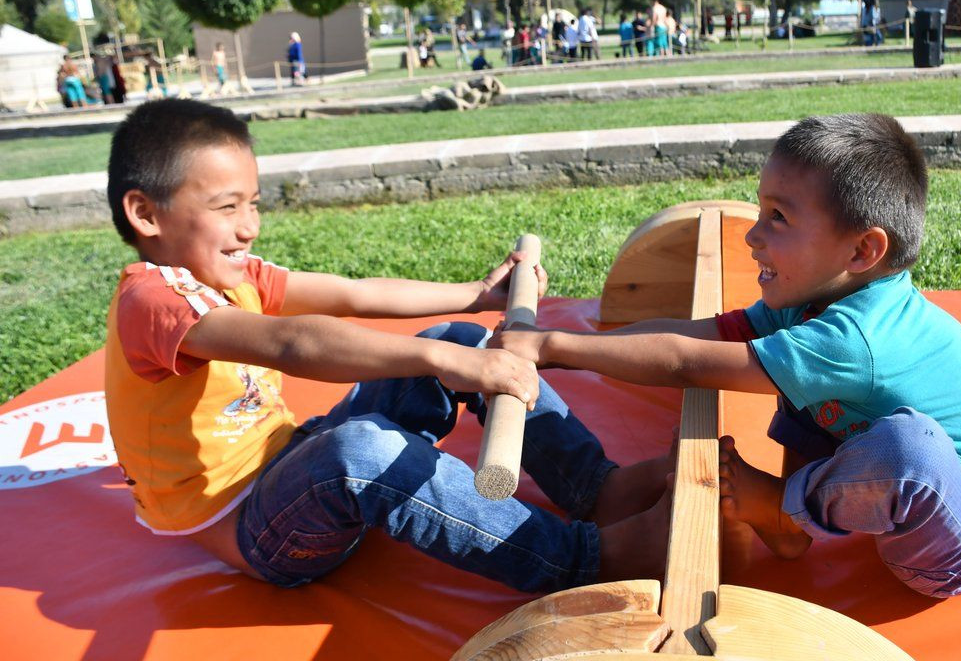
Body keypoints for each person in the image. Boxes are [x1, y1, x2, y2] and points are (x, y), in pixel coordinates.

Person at [102, 99, 674, 592]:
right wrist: (446, 361)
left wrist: (476, 295)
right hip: (261, 532)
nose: (249, 226)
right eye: (227, 208)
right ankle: (583, 559)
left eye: (253, 203)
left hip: (290, 459)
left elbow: (353, 294)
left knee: (459, 338)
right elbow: (291, 343)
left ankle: (598, 489)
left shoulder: (230, 272)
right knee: (360, 451)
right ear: (145, 213)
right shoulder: (152, 302)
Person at [492, 113, 961, 599]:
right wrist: (553, 350)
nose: (754, 235)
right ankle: (791, 523)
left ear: (862, 250)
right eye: (761, 210)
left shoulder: (856, 338)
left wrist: (552, 344)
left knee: (908, 450)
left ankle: (785, 507)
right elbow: (697, 334)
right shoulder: (814, 302)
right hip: (905, 500)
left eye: (778, 217)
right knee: (793, 370)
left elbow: (689, 362)